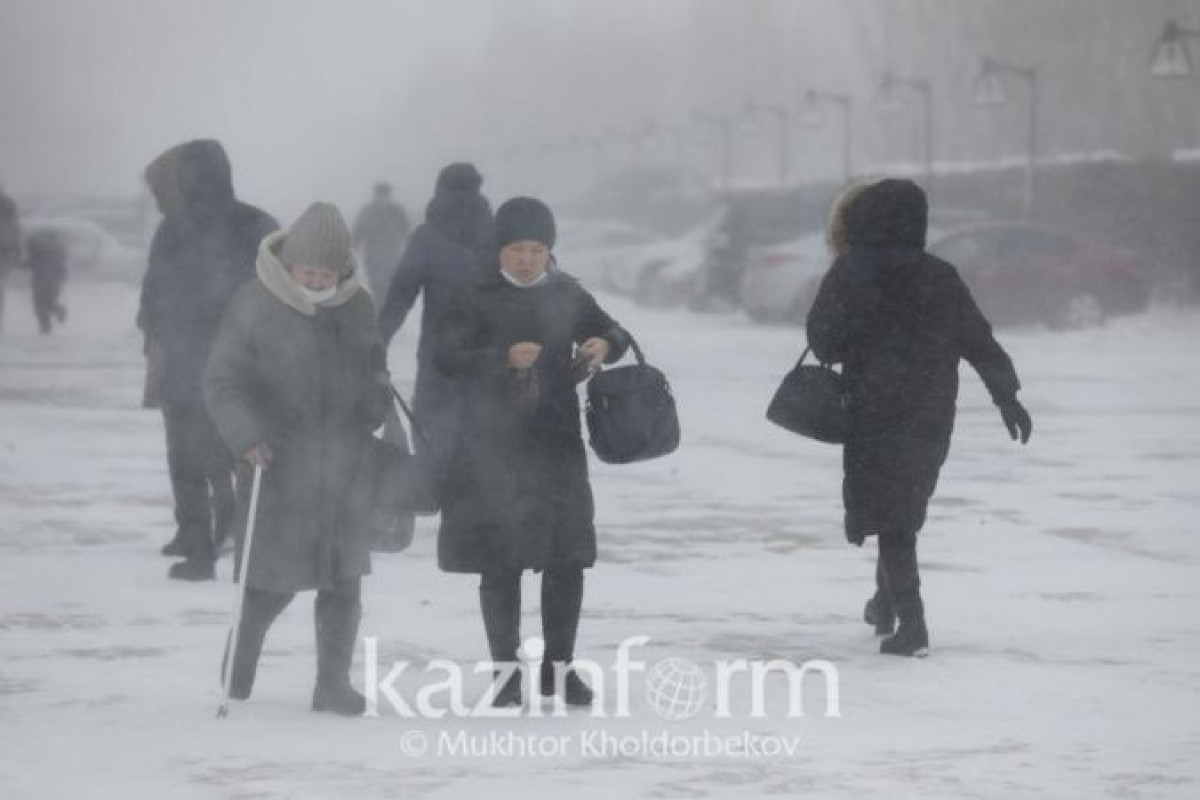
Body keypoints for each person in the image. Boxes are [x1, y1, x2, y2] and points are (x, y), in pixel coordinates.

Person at [806, 178, 1032, 657]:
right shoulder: (940, 275)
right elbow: (978, 340)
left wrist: (859, 337)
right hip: (930, 410)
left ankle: (913, 627)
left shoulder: (850, 271)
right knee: (902, 510)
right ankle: (884, 605)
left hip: (872, 409)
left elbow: (823, 342)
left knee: (892, 517)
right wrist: (1006, 396)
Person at [434, 197, 631, 708]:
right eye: (517, 248)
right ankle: (506, 672)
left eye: (537, 248)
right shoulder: (472, 293)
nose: (526, 258)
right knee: (500, 562)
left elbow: (613, 330)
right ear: (500, 250)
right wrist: (500, 358)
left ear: (550, 251)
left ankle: (559, 669)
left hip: (555, 445)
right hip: (490, 447)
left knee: (566, 559)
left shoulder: (566, 291)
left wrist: (603, 345)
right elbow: (445, 357)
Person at [204, 202, 391, 716]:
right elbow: (223, 381)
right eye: (306, 269)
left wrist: (376, 397)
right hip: (278, 462)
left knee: (343, 582)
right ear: (288, 263)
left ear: (343, 269)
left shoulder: (357, 305)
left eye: (325, 271)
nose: (314, 278)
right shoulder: (256, 302)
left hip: (344, 462)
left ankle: (332, 685)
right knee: (270, 584)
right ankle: (237, 674)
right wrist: (246, 436)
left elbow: (376, 363)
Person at [138, 140, 279, 581]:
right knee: (244, 450)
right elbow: (280, 289)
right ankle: (248, 543)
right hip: (244, 360)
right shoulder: (259, 223)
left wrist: (160, 338)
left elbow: (154, 294)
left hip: (187, 359)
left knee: (186, 455)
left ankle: (199, 549)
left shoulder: (174, 228)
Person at [377, 162, 493, 480]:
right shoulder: (495, 233)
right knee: (483, 436)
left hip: (437, 354)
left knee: (433, 434)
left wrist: (377, 340)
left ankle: (440, 488)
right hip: (489, 353)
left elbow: (401, 295)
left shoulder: (427, 236)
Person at [351, 181, 411, 298]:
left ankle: (386, 310)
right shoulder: (367, 212)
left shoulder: (397, 211)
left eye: (385, 195)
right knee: (376, 287)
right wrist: (352, 251)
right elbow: (357, 233)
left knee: (390, 286)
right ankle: (379, 310)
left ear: (389, 195)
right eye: (380, 195)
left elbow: (406, 231)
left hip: (392, 257)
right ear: (375, 195)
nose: (382, 199)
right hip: (373, 258)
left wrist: (412, 251)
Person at [24, 228, 68, 333]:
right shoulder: (58, 250)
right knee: (49, 302)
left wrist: (15, 262)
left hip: (40, 281)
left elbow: (28, 264)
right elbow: (63, 265)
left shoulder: (36, 251)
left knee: (39, 305)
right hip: (55, 281)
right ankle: (59, 310)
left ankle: (45, 327)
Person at [0, 186, 22, 334]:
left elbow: (15, 229)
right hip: (5, 250)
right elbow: (16, 230)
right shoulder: (9, 205)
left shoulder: (8, 205)